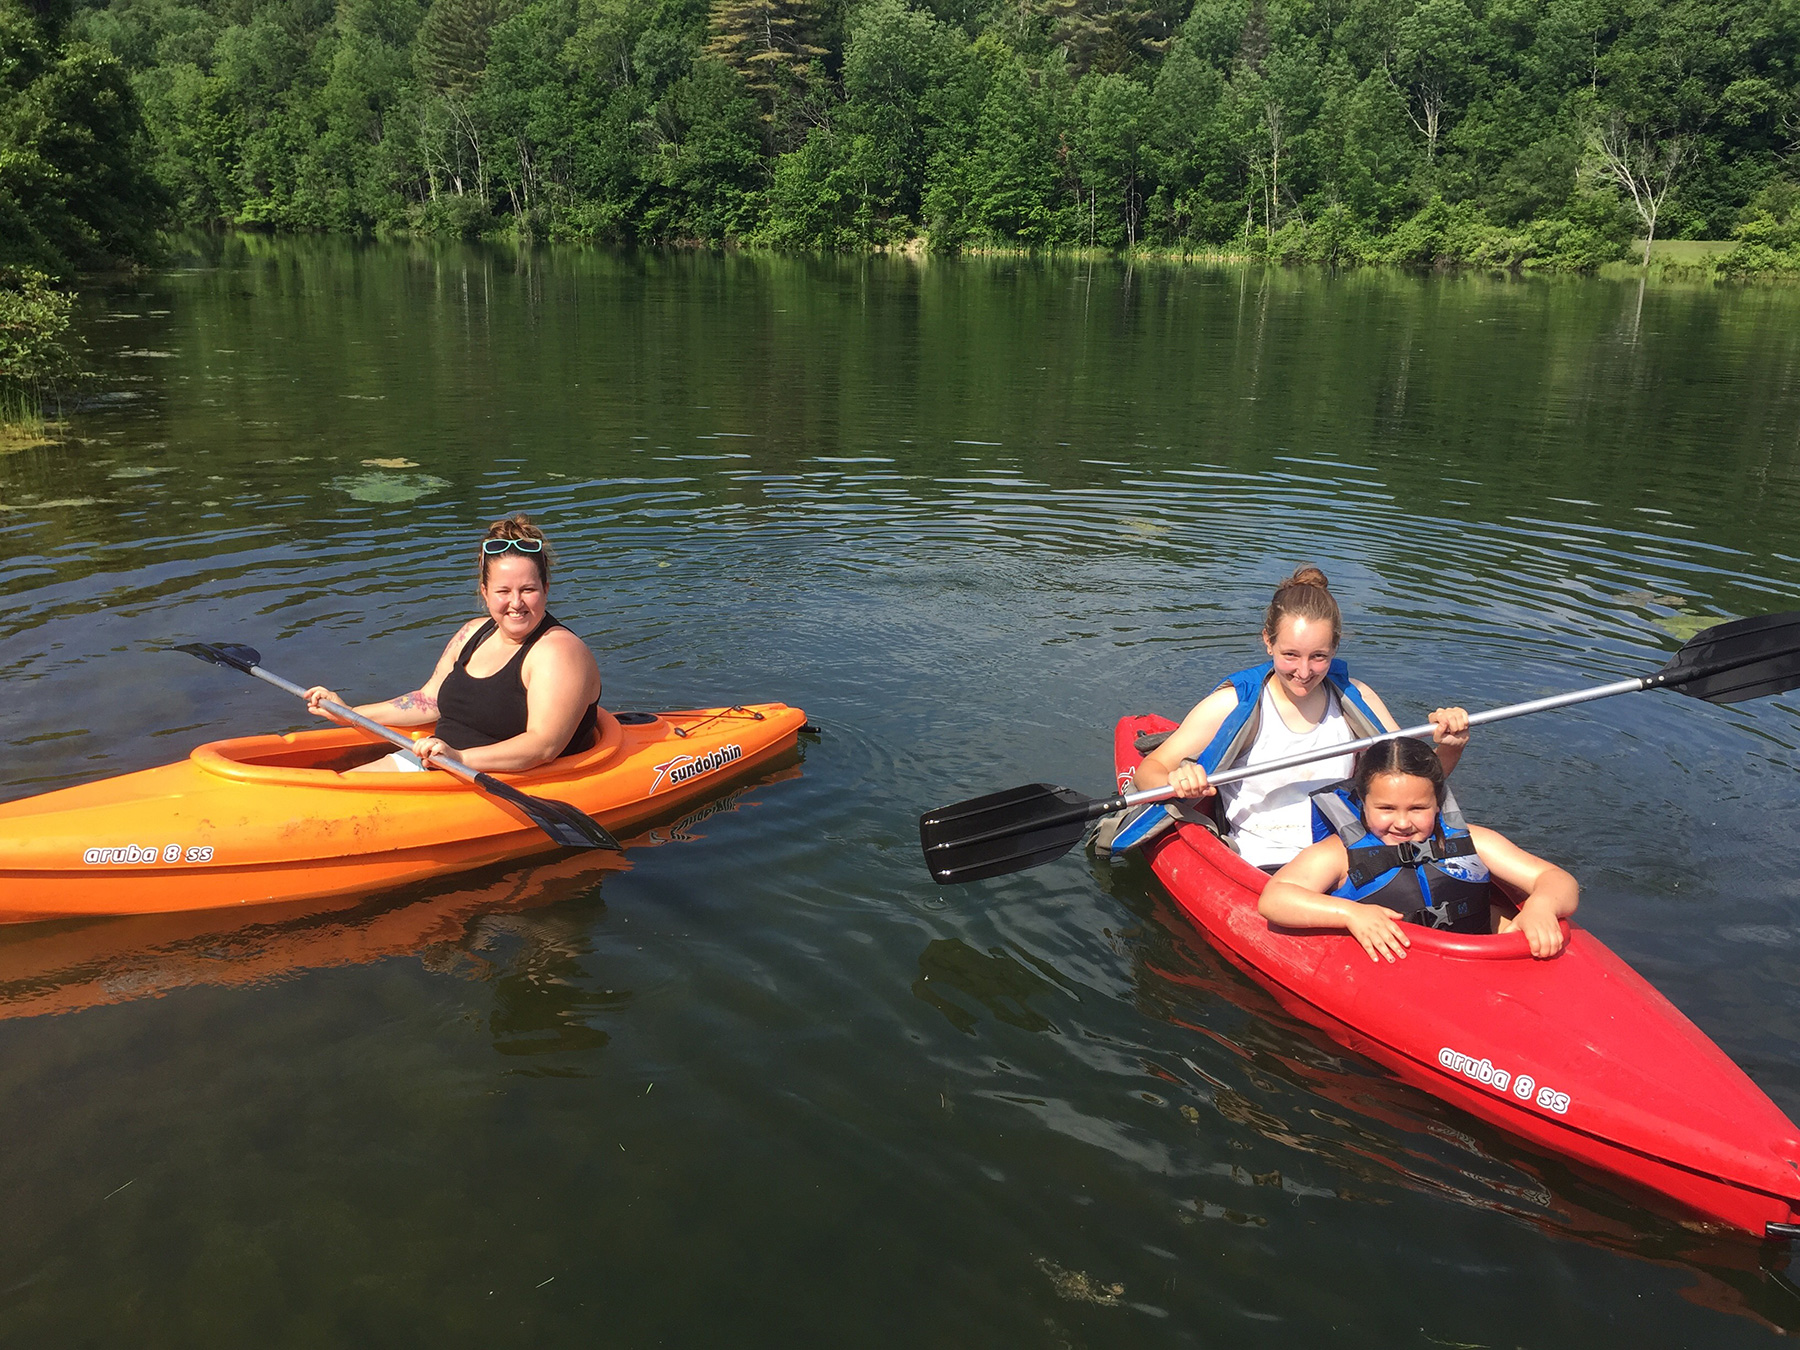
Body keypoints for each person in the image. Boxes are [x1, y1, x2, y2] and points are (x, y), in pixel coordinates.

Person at [1129, 566, 1470, 869]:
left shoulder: (1358, 698)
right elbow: (1149, 771)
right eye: (1290, 655)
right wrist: (1178, 780)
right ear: (1268, 642)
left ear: (1335, 648)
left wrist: (1451, 745)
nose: (1304, 672)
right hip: (1264, 862)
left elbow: (1415, 786)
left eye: (1318, 657)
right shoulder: (1230, 705)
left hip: (1346, 854)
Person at [304, 515, 602, 773]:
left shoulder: (558, 652)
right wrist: (350, 713)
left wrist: (459, 757)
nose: (516, 603)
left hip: (491, 777)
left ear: (546, 589)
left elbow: (543, 745)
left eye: (528, 590)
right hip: (441, 763)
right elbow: (429, 700)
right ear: (484, 593)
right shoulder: (472, 634)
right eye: (503, 591)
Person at [1259, 736, 1578, 962]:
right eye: (1385, 808)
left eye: (1417, 808)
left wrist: (1541, 907)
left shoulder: (1475, 842)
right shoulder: (1337, 855)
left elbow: (1555, 878)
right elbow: (1275, 898)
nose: (1401, 823)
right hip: (1399, 969)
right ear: (1363, 803)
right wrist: (1350, 912)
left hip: (1482, 961)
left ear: (1437, 804)